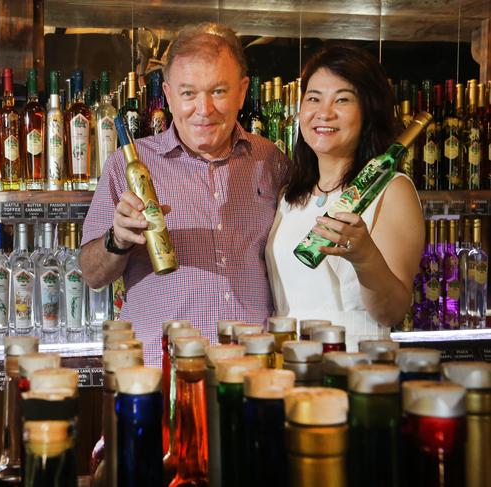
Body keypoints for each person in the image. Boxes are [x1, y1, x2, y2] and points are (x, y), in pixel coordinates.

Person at [80, 23, 288, 366]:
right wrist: (117, 239)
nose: (204, 109)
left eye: (218, 91)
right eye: (189, 93)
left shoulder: (272, 161)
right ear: (169, 95)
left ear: (242, 91)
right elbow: (91, 274)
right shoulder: (128, 164)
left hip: (251, 369)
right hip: (163, 367)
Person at [266, 45, 424, 350]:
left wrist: (365, 255)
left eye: (342, 99)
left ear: (368, 111)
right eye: (313, 98)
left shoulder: (392, 189)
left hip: (353, 361)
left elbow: (391, 311)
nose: (324, 112)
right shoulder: (290, 194)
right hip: (289, 359)